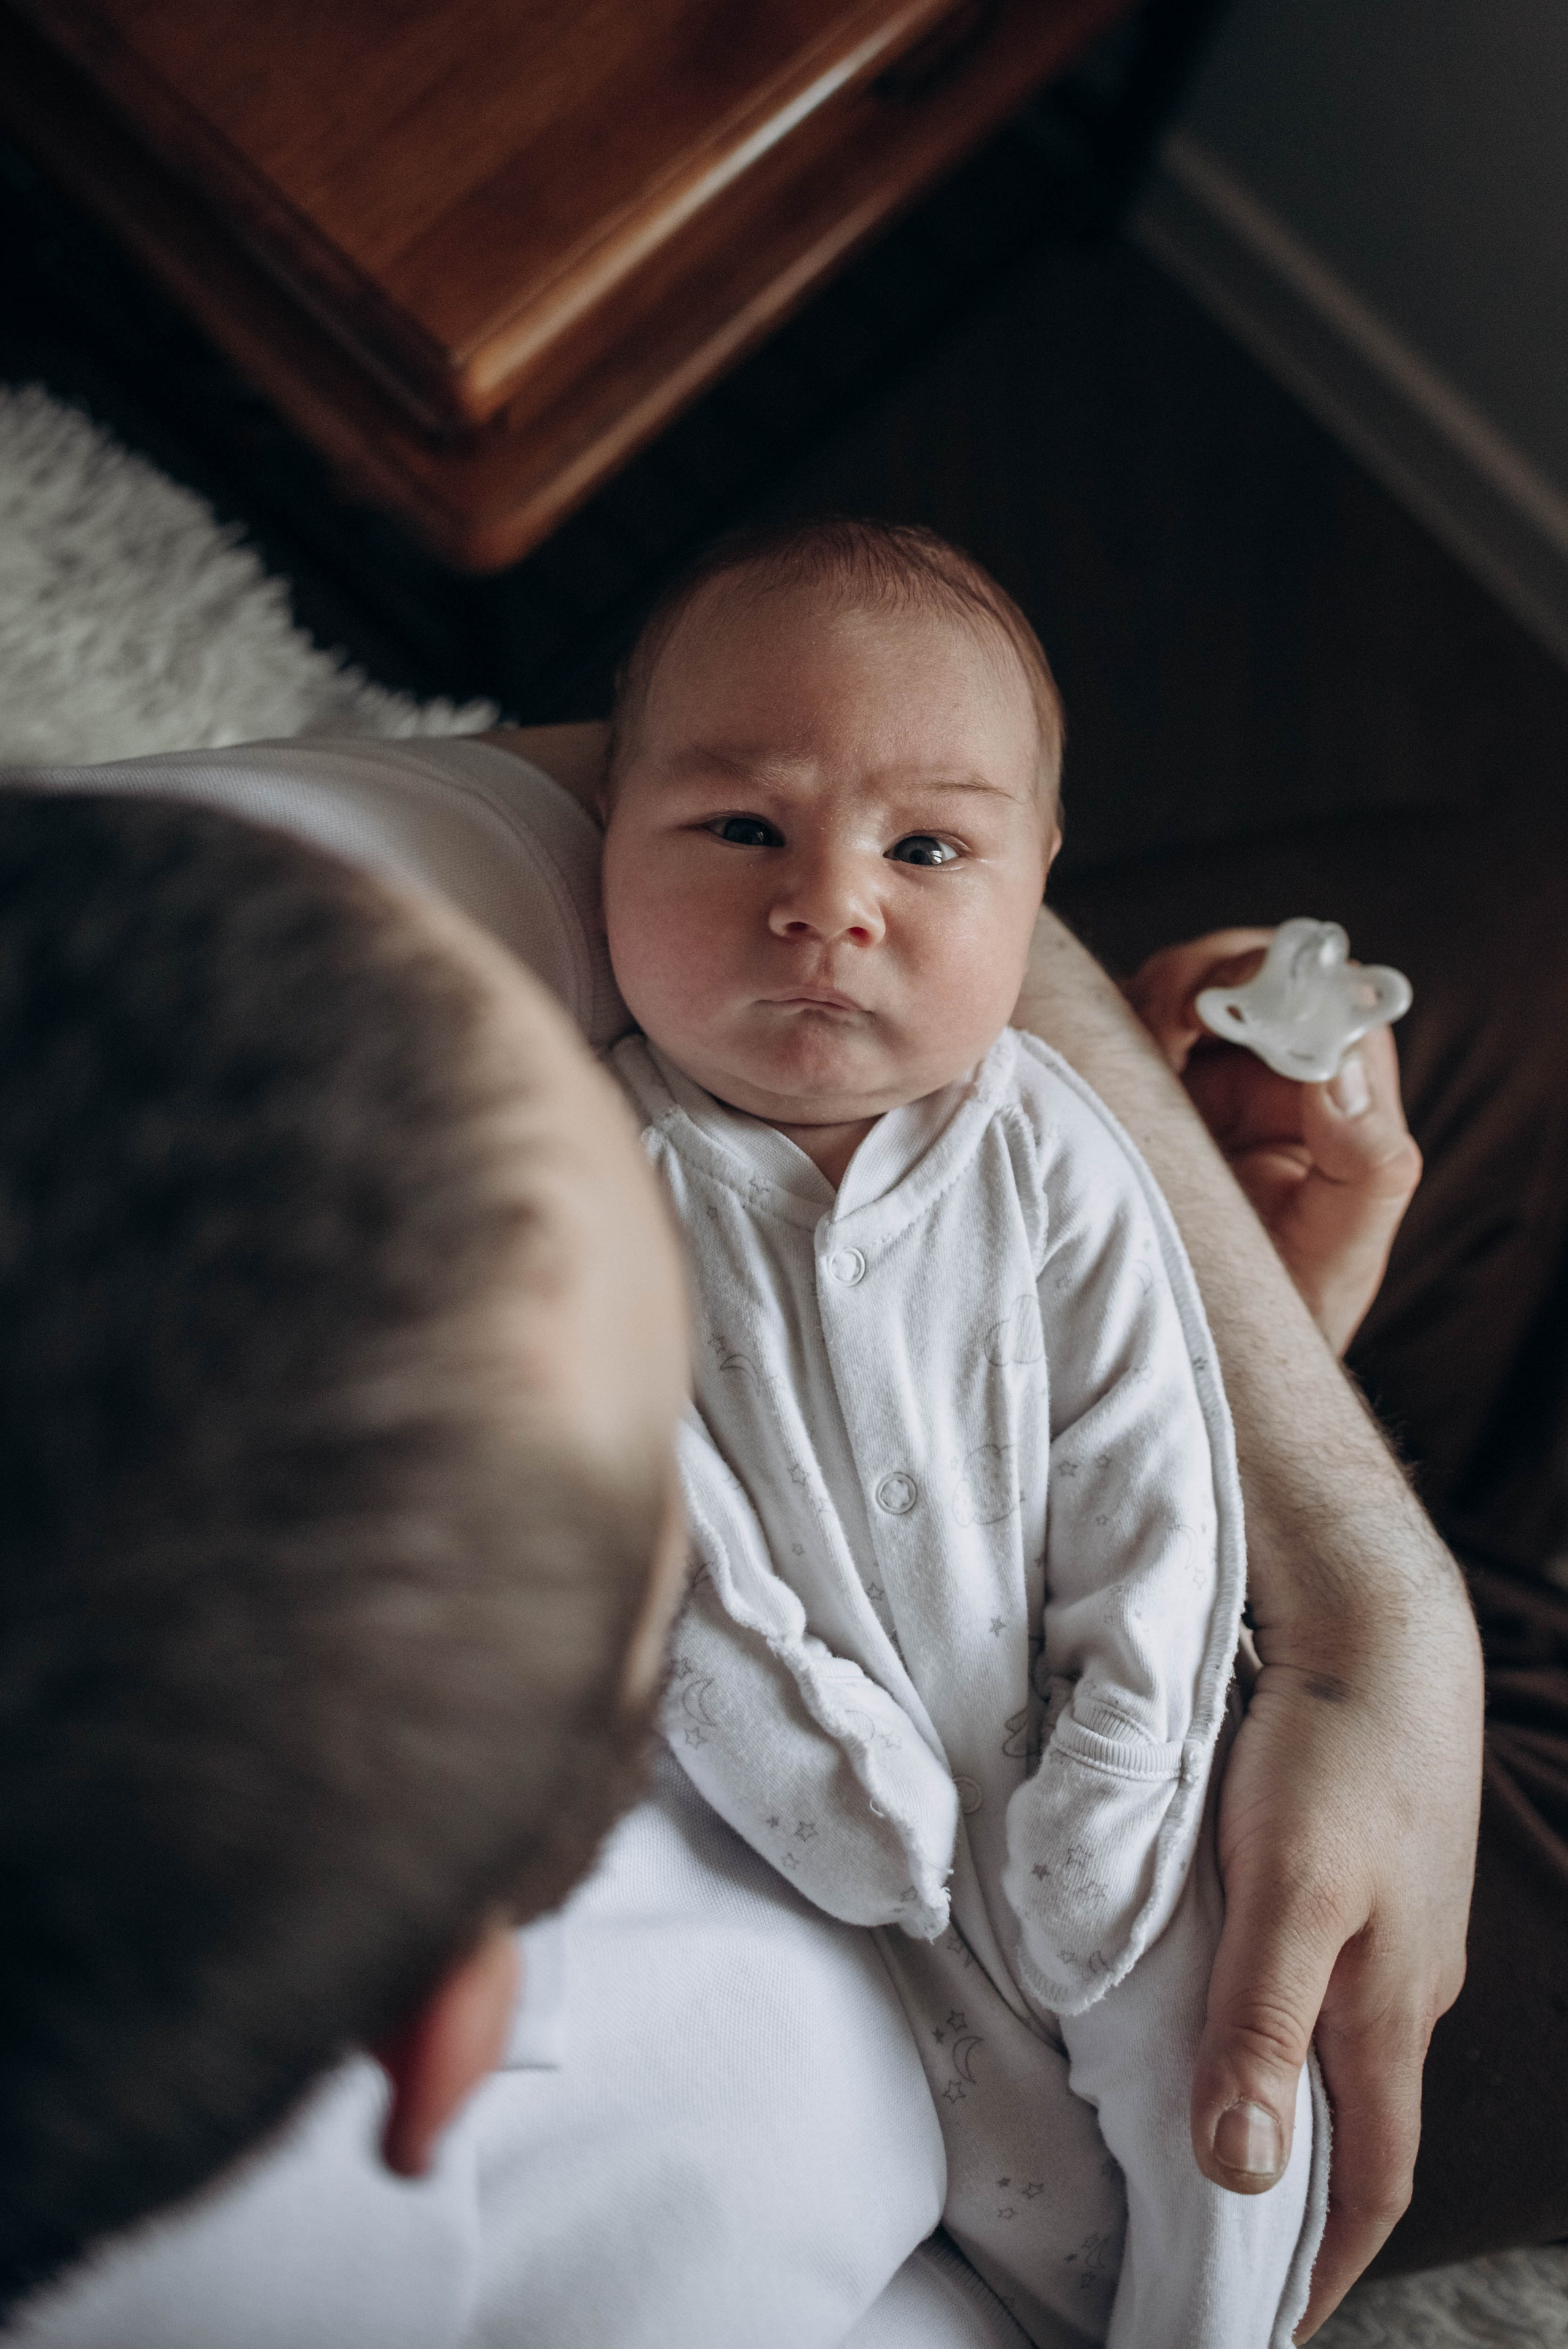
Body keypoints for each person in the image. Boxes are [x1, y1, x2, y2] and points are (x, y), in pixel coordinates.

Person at [0, 698, 1484, 2345]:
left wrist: (1355, 1572)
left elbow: (725, 736)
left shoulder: (148, 970)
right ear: (445, 2026)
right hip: (1182, 2020)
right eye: (674, 1439)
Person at [596, 517, 1321, 2345]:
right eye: (742, 826)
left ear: (1039, 883)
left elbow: (1156, 1463)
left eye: (928, 847)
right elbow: (642, 1497)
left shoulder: (1054, 1149)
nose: (832, 901)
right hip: (795, 1848)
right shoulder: (586, 1155)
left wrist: (1128, 1752)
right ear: (606, 827)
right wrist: (791, 1741)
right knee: (793, 2140)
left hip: (1097, 1802)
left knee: (1226, 2065)